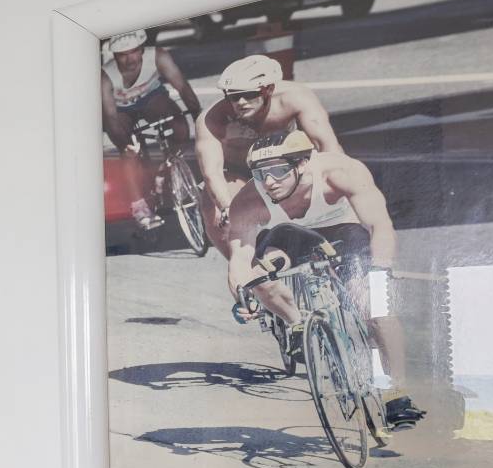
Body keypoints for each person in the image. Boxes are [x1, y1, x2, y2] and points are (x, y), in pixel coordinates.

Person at [223, 130, 424, 428]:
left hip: (344, 231)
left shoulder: (340, 172)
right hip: (286, 238)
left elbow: (379, 224)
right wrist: (243, 297)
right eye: (260, 173)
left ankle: (397, 393)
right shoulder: (249, 199)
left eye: (278, 171)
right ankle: (295, 323)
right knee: (258, 276)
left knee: (375, 309)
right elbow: (239, 258)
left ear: (302, 163)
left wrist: (380, 269)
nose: (269, 182)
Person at [194, 54, 342, 234]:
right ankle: (247, 259)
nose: (241, 102)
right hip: (241, 174)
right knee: (214, 211)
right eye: (233, 96)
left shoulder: (295, 98)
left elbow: (327, 147)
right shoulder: (211, 119)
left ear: (269, 89)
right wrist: (228, 209)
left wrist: (338, 185)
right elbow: (212, 173)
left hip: (288, 168)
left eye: (249, 94)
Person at [100, 29, 203, 229]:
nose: (130, 59)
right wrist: (125, 145)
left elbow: (182, 87)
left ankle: (167, 168)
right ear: (114, 55)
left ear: (142, 49)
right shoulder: (106, 76)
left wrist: (198, 116)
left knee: (180, 126)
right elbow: (111, 117)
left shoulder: (158, 55)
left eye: (134, 52)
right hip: (122, 109)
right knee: (128, 153)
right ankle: (139, 206)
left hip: (152, 98)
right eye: (123, 55)